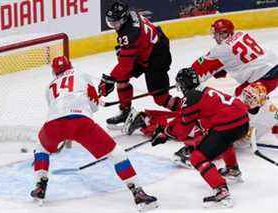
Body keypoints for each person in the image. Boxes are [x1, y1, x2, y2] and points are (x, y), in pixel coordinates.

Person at [30, 56, 158, 210]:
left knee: (40, 148)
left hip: (54, 124)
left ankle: (40, 185)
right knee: (116, 154)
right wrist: (96, 101)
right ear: (70, 66)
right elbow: (93, 105)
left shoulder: (49, 86)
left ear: (54, 71)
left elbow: (56, 107)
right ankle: (138, 192)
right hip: (81, 122)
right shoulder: (81, 74)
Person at [150, 68, 249, 207]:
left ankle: (222, 192)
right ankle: (232, 169)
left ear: (183, 85)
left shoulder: (190, 98)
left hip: (228, 125)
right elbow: (186, 117)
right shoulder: (204, 90)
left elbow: (183, 130)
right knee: (220, 139)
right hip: (243, 121)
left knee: (197, 158)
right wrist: (168, 130)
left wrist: (166, 134)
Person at [190, 18, 278, 140]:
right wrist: (224, 69)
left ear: (223, 34)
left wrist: (189, 77)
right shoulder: (241, 33)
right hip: (271, 67)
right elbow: (240, 57)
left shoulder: (220, 49)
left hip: (263, 77)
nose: (215, 37)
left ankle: (246, 131)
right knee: (240, 93)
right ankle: (268, 115)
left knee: (239, 106)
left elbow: (198, 68)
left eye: (217, 33)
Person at [98, 1, 180, 128]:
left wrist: (109, 79)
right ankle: (125, 112)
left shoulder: (130, 34)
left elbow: (125, 65)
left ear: (124, 19)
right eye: (111, 21)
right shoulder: (130, 14)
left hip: (157, 56)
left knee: (160, 97)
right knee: (122, 79)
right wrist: (115, 78)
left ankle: (187, 110)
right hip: (145, 49)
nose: (113, 25)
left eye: (115, 22)